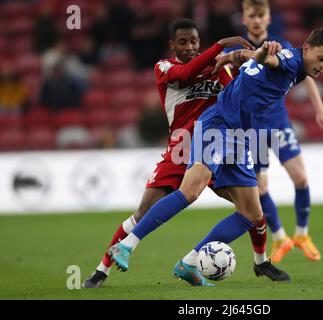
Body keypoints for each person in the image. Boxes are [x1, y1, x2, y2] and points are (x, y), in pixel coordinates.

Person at [109, 29, 323, 287]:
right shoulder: (290, 62)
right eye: (321, 59)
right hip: (219, 125)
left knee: (252, 214)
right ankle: (127, 244)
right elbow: (270, 60)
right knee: (191, 190)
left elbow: (258, 63)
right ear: (307, 48)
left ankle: (191, 261)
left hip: (240, 136)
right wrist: (262, 52)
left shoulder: (296, 66)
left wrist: (239, 55)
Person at [83, 19, 287, 288]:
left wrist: (242, 60)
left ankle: (261, 262)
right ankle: (101, 270)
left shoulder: (219, 70)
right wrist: (221, 47)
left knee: (252, 210)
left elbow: (240, 92)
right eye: (183, 42)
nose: (189, 46)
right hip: (181, 149)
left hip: (217, 147)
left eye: (193, 41)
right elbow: (186, 74)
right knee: (143, 212)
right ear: (172, 45)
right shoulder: (165, 67)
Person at [223, 0, 323, 263]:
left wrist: (320, 110)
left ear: (269, 18)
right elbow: (229, 79)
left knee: (301, 178)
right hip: (254, 127)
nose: (258, 20)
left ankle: (302, 234)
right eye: (253, 15)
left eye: (262, 15)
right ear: (245, 19)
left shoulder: (280, 45)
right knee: (261, 187)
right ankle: (280, 237)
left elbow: (307, 77)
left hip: (279, 121)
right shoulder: (238, 49)